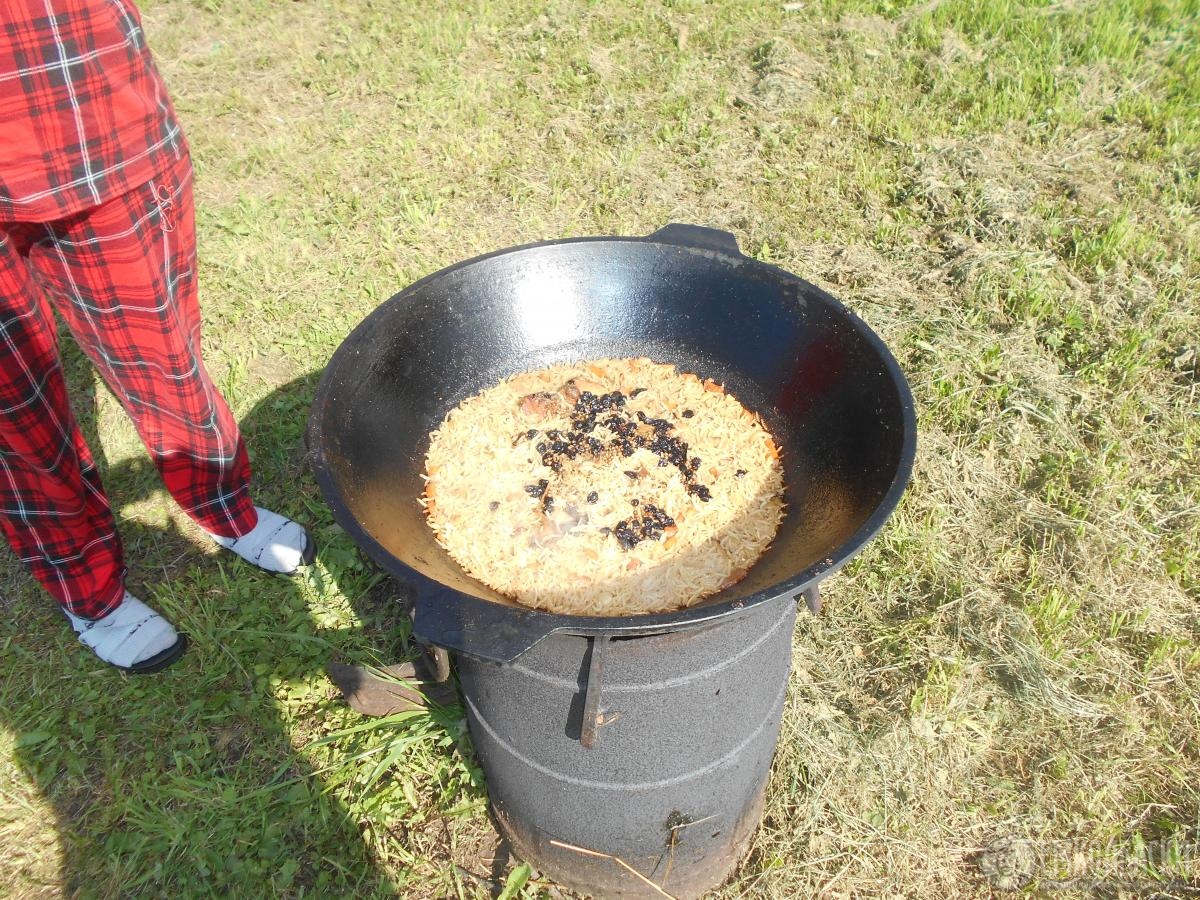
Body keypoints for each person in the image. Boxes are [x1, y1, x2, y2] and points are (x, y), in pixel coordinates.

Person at [0, 0, 314, 673]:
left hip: (82, 102)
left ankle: (220, 502)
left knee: (163, 355)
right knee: (14, 421)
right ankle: (86, 586)